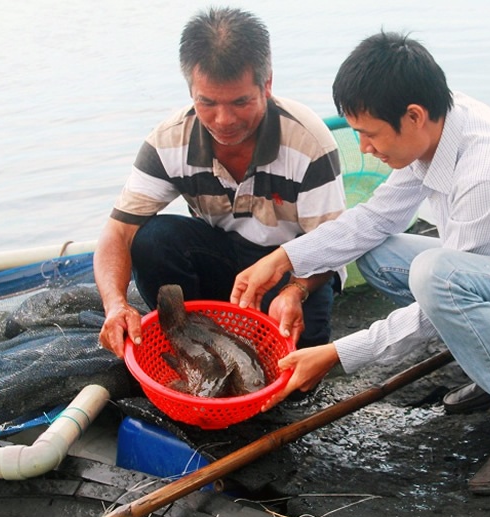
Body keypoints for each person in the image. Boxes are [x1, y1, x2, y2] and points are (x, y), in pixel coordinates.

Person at [231, 31, 490, 495]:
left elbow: (441, 295)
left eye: (369, 133)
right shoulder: (443, 124)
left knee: (437, 274)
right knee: (378, 250)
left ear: (414, 116)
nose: (363, 147)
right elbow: (373, 220)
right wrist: (283, 258)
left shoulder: (487, 173)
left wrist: (339, 354)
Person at [94, 7, 345, 358]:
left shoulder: (308, 142)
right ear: (191, 89)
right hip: (220, 255)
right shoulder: (168, 142)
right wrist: (116, 305)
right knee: (151, 240)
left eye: (240, 102)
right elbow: (116, 234)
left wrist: (296, 291)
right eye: (207, 102)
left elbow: (332, 245)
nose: (224, 120)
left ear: (267, 83)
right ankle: (192, 340)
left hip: (290, 269)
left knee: (298, 366)